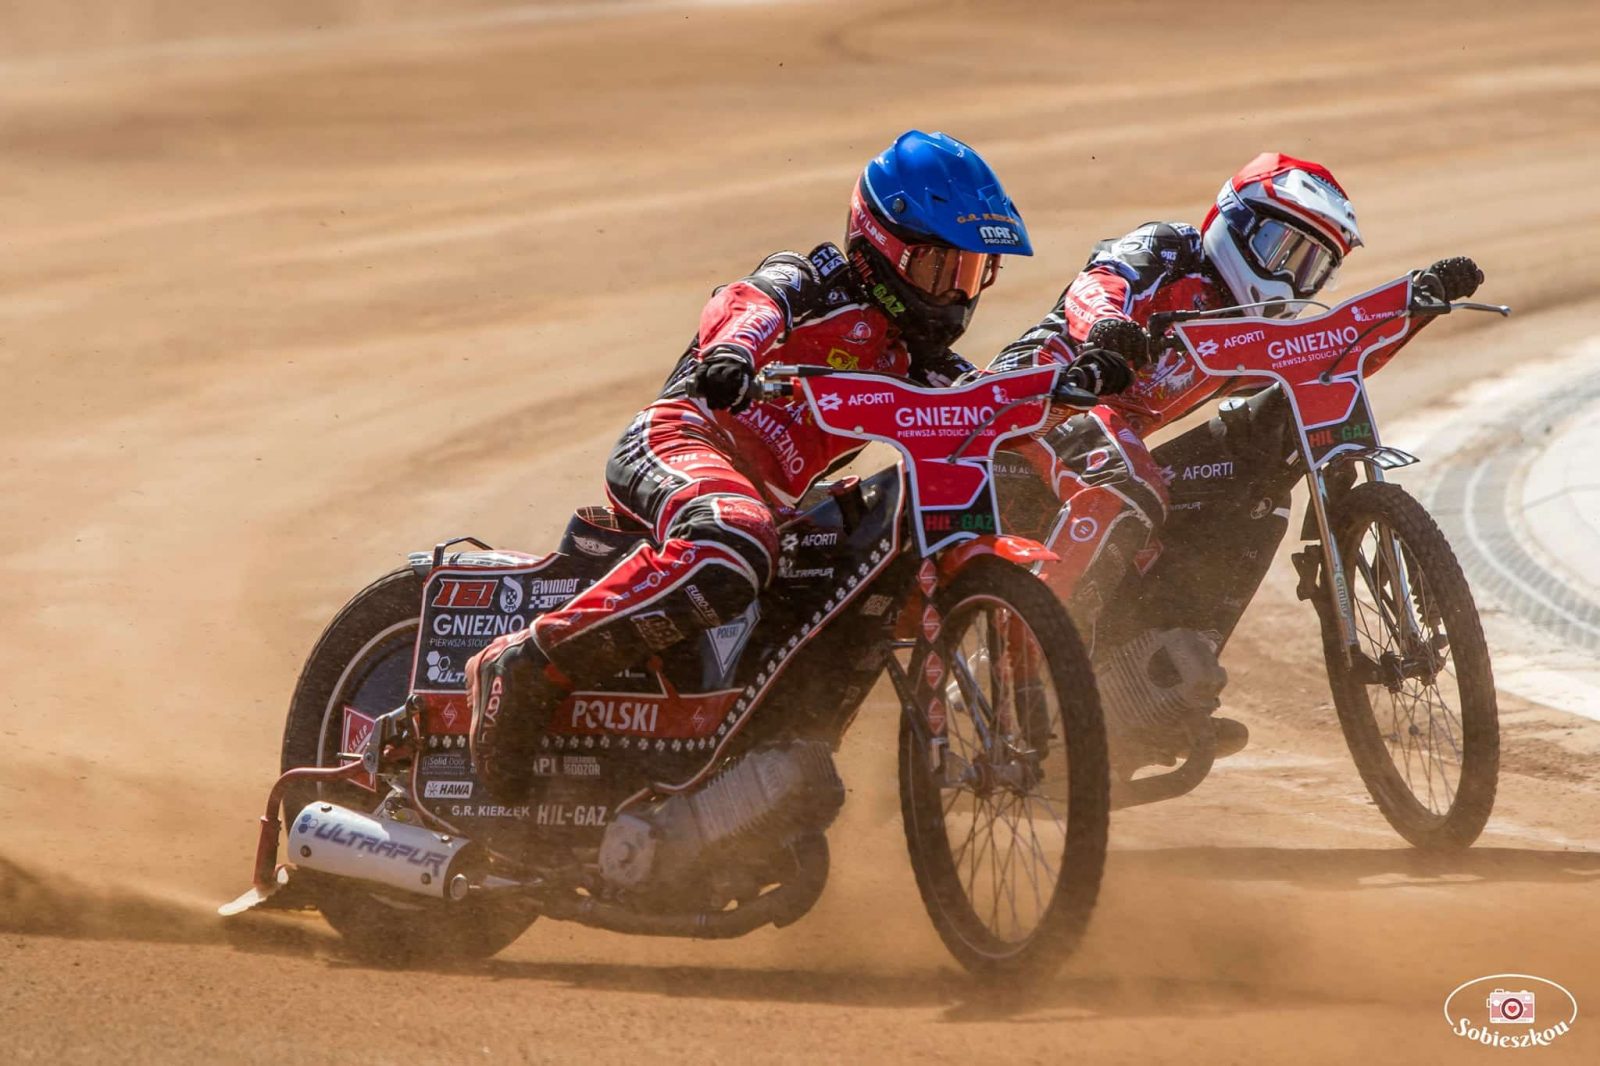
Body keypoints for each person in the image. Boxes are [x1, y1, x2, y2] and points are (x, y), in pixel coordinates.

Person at [468, 130, 1034, 800]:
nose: (957, 295)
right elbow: (747, 304)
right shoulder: (813, 281)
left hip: (774, 505)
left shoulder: (921, 362)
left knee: (872, 556)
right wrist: (733, 354)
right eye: (941, 269)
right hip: (683, 437)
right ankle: (528, 663)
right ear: (882, 247)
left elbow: (992, 409)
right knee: (734, 538)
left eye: (972, 273)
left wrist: (1077, 393)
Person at [988, 152, 1484, 758]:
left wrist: (1416, 307)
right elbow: (1098, 283)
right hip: (1026, 415)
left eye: (1312, 267)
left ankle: (1152, 681)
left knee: (1264, 469)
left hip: (1105, 443)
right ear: (1234, 223)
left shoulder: (1252, 331)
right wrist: (1108, 326)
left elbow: (1331, 358)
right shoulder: (1170, 249)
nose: (1292, 280)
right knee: (1129, 481)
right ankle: (1026, 666)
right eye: (1283, 250)